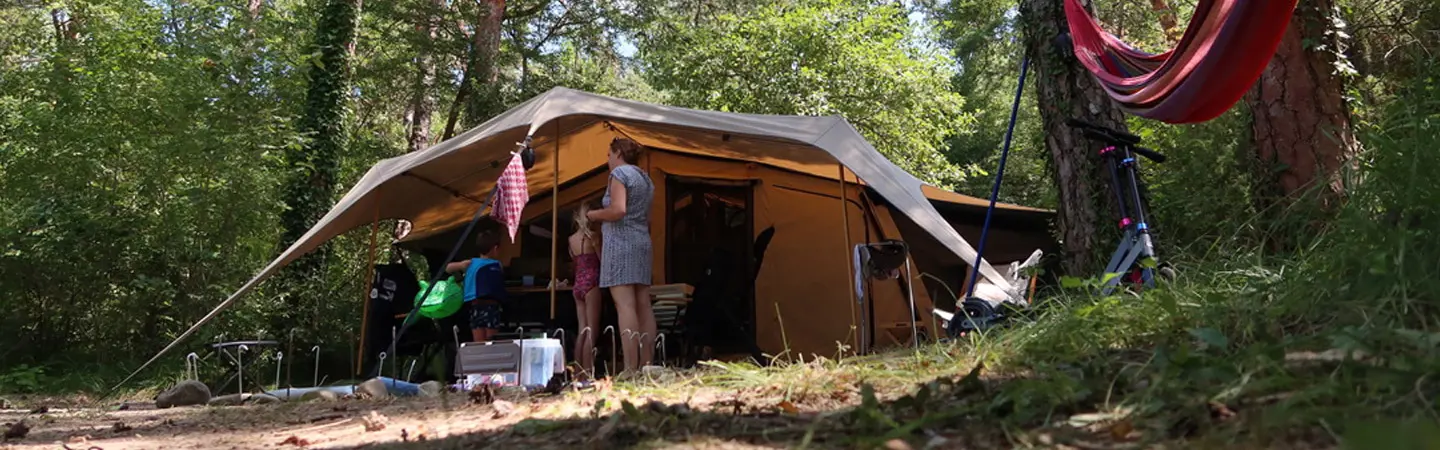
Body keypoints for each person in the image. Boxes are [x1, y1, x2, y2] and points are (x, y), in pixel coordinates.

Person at [586, 137, 657, 373]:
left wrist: (594, 215)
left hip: (620, 244)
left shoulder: (619, 174)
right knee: (643, 305)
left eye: (609, 155)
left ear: (618, 153)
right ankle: (647, 364)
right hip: (642, 241)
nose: (608, 160)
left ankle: (630, 368)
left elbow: (618, 209)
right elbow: (647, 218)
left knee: (625, 305)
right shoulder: (646, 179)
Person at [445, 218, 507, 343]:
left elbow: (448, 268)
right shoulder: (497, 265)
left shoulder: (470, 263)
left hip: (475, 307)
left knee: (478, 342)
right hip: (492, 307)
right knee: (492, 341)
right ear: (495, 248)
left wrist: (461, 265)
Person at [568, 202, 602, 379]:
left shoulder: (571, 239)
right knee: (591, 330)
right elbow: (601, 260)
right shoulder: (594, 237)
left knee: (582, 329)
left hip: (578, 284)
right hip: (592, 283)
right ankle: (588, 372)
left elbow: (575, 263)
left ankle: (578, 373)